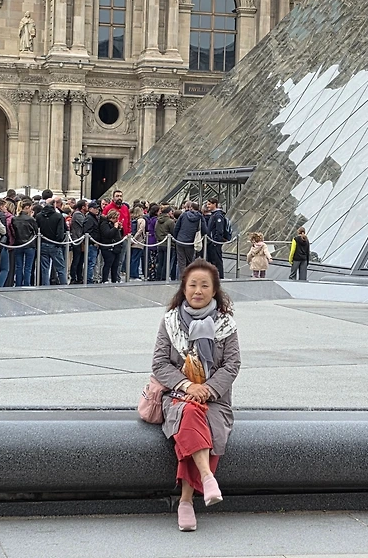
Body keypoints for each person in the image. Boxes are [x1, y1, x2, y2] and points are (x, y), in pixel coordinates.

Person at [150, 259, 240, 532]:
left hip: (216, 398)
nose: (198, 291)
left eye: (204, 286)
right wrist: (189, 387)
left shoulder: (226, 325)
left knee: (200, 420)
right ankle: (206, 479)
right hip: (178, 394)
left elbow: (232, 365)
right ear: (184, 288)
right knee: (189, 412)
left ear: (215, 290)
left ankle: (186, 501)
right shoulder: (170, 322)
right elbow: (159, 364)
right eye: (193, 285)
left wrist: (208, 389)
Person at [36, 194, 67, 286]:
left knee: (45, 268)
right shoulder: (58, 216)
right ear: (54, 205)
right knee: (60, 268)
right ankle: (64, 284)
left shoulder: (39, 216)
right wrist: (59, 243)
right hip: (54, 244)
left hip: (43, 243)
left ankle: (45, 286)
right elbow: (60, 232)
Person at [8, 200, 38, 287]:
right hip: (30, 244)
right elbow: (36, 232)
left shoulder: (14, 219)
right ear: (27, 207)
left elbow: (13, 231)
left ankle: (18, 284)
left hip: (18, 243)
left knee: (19, 266)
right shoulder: (31, 219)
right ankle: (26, 284)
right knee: (28, 267)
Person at [204, 198, 231, 278]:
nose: (207, 206)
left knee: (217, 260)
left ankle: (219, 277)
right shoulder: (214, 214)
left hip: (215, 242)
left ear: (214, 204)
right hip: (212, 241)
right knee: (212, 260)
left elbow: (219, 230)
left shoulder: (218, 215)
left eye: (209, 204)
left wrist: (215, 241)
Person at [173, 204, 203, 275]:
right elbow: (204, 229)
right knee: (190, 261)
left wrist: (175, 238)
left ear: (191, 208)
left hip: (180, 240)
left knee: (181, 261)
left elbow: (177, 227)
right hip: (191, 242)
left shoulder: (184, 215)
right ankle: (189, 276)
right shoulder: (200, 217)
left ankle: (182, 277)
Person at [99, 209, 124, 283]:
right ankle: (105, 279)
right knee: (108, 264)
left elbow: (119, 234)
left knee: (115, 265)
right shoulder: (104, 224)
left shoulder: (113, 224)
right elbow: (108, 234)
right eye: (116, 218)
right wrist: (115, 228)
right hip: (108, 247)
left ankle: (114, 279)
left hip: (116, 247)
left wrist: (120, 228)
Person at [69, 200, 88, 285]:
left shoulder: (82, 215)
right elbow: (85, 224)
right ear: (83, 207)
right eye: (87, 205)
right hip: (77, 239)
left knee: (80, 260)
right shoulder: (77, 214)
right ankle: (74, 277)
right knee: (76, 260)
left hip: (81, 240)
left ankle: (79, 277)